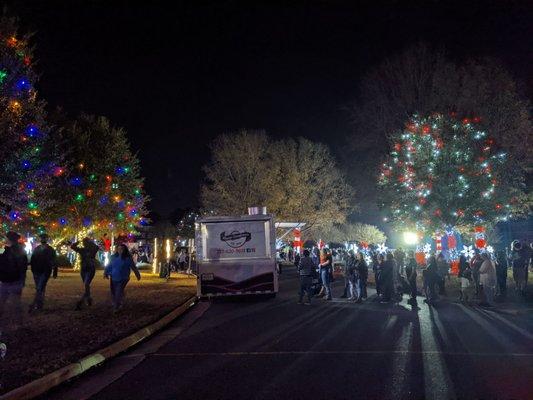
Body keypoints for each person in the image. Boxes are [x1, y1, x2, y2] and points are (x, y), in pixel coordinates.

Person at [0, 231, 28, 330]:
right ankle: (18, 323)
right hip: (12, 280)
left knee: (10, 303)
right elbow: (24, 266)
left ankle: (18, 323)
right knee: (14, 303)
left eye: (6, 238)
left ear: (9, 239)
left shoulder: (10, 251)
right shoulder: (18, 250)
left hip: (10, 280)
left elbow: (21, 266)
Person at [104, 244, 141, 312]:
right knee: (114, 291)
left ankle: (116, 306)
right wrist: (106, 273)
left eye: (122, 249)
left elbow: (133, 267)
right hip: (114, 276)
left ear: (124, 250)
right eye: (119, 249)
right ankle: (119, 302)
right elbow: (109, 266)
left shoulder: (127, 258)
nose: (120, 250)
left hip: (123, 277)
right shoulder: (113, 257)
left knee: (118, 290)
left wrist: (137, 274)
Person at [29, 234, 57, 312]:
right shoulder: (37, 249)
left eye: (44, 238)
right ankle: (40, 304)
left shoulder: (50, 249)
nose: (43, 239)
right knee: (40, 287)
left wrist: (55, 271)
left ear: (47, 239)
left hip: (45, 271)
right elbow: (33, 259)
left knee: (39, 288)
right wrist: (33, 269)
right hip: (37, 271)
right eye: (42, 238)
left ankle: (35, 304)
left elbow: (54, 260)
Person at [71, 237, 99, 310]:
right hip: (83, 269)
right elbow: (72, 246)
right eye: (84, 242)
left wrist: (90, 241)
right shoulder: (82, 250)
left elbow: (97, 247)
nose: (85, 244)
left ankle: (81, 302)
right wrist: (79, 241)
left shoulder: (92, 250)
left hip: (90, 268)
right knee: (86, 285)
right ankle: (88, 298)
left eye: (86, 242)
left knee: (86, 284)